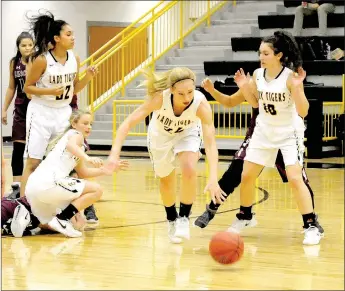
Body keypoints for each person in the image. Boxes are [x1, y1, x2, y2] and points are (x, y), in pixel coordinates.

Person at [106, 67, 225, 243]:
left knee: (189, 168)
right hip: (160, 136)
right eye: (181, 94)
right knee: (166, 180)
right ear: (171, 90)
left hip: (187, 133)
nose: (186, 98)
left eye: (190, 92)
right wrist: (113, 156)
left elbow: (211, 143)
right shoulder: (160, 99)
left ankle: (184, 218)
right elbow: (127, 123)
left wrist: (213, 178)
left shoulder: (200, 105)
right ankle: (172, 218)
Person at [226, 30, 323, 245]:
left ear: (278, 55)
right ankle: (245, 216)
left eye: (266, 53)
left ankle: (310, 224)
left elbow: (304, 111)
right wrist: (244, 86)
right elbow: (254, 103)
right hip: (263, 131)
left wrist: (298, 89)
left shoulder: (290, 77)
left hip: (288, 133)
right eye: (260, 53)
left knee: (295, 179)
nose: (261, 57)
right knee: (247, 175)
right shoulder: (258, 75)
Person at [194, 79, 323, 235]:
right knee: (236, 172)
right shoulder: (254, 81)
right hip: (259, 136)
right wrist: (212, 90)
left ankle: (310, 220)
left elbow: (302, 109)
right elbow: (229, 101)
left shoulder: (289, 81)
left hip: (285, 137)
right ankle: (221, 210)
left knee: (298, 180)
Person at [11, 110, 127, 238]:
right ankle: (62, 219)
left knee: (73, 225)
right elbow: (72, 146)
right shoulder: (76, 135)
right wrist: (88, 159)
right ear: (74, 124)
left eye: (91, 124)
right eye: (85, 123)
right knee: (97, 190)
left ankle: (27, 217)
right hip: (49, 183)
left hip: (34, 187)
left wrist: (107, 170)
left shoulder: (74, 146)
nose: (89, 127)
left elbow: (84, 172)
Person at [21, 10, 98, 197]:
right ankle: (23, 206)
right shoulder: (42, 60)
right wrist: (48, 91)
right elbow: (28, 88)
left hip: (63, 112)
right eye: (68, 34)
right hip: (41, 112)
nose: (73, 38)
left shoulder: (75, 59)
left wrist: (87, 77)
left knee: (69, 159)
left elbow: (75, 88)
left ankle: (67, 202)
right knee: (33, 162)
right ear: (56, 38)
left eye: (73, 34)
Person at [1, 32, 34, 199]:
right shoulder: (14, 63)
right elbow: (11, 87)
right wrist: (4, 109)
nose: (27, 48)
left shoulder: (38, 61)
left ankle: (34, 185)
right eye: (24, 45)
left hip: (37, 106)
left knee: (36, 149)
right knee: (18, 147)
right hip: (21, 107)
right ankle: (16, 185)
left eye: (30, 45)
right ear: (18, 47)